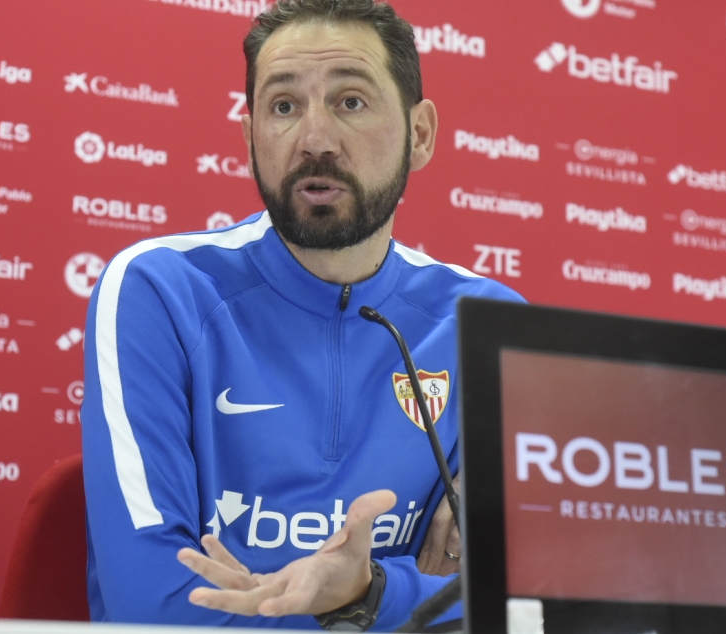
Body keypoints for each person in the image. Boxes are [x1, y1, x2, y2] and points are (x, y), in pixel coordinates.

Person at [80, 0, 523, 630]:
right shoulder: (160, 290)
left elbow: (532, 601)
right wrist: (380, 599)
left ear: (420, 134)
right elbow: (155, 606)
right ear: (249, 137)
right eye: (283, 107)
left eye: (350, 101)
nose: (314, 141)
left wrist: (369, 590)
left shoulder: (488, 324)